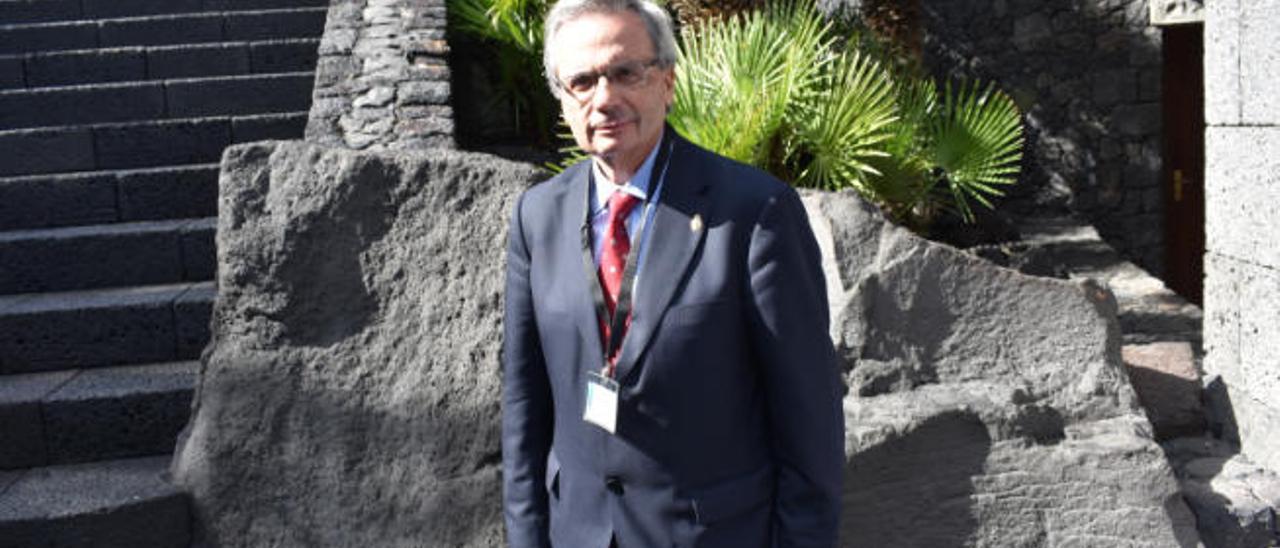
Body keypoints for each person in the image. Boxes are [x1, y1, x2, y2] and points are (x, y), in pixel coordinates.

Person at [501, 0, 845, 546]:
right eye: (582, 81)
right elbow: (524, 409)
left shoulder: (754, 213)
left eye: (625, 73)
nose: (605, 99)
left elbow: (810, 425)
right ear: (562, 100)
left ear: (667, 81)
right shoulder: (536, 216)